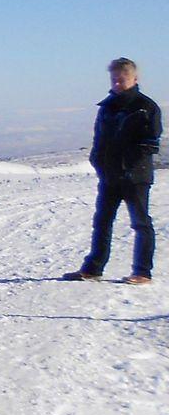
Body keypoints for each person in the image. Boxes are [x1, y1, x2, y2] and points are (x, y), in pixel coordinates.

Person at [66, 58, 160, 284]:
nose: (117, 84)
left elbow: (150, 143)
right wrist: (98, 161)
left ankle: (142, 272)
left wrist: (128, 165)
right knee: (102, 221)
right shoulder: (107, 106)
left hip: (135, 177)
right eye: (114, 79)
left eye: (122, 80)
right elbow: (99, 139)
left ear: (134, 79)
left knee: (140, 223)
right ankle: (93, 269)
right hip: (109, 176)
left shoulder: (146, 107)